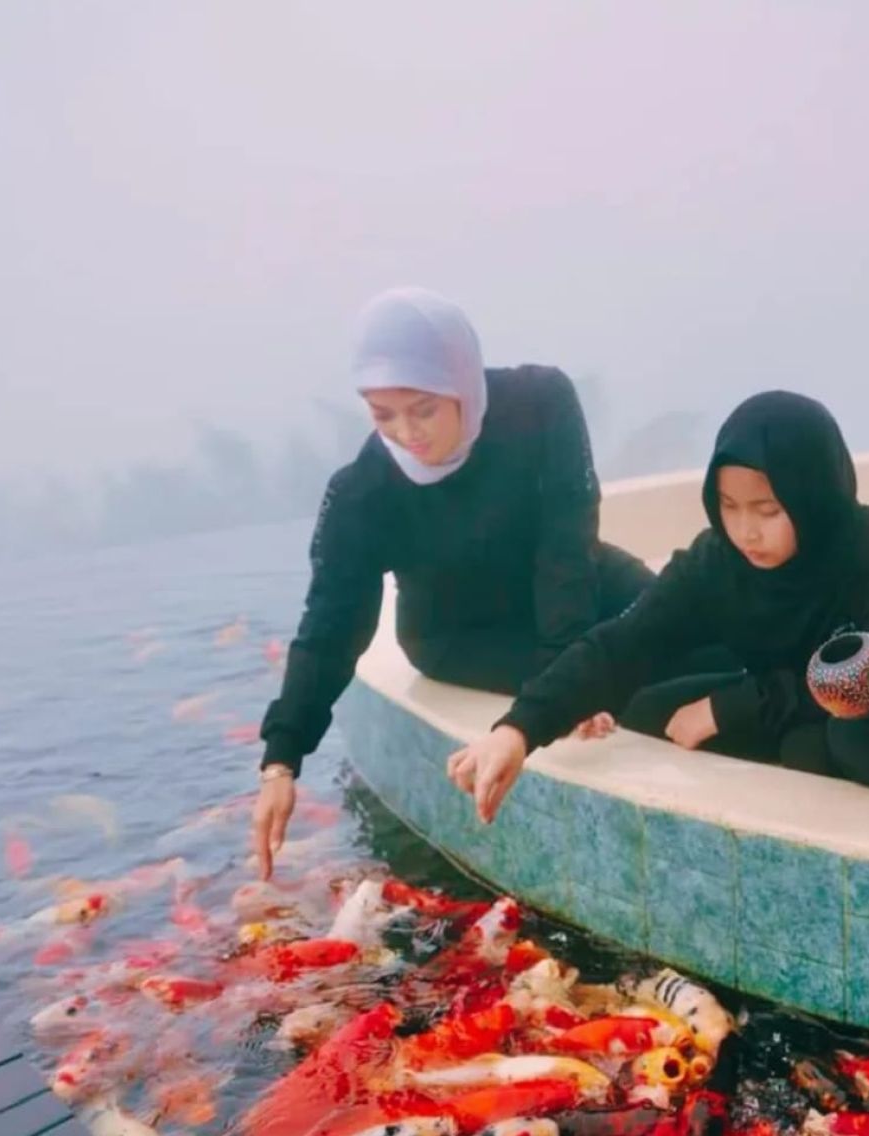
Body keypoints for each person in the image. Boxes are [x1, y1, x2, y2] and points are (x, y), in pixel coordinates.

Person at [252, 287, 653, 876]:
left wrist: (562, 667)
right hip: (461, 636)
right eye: (382, 414)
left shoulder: (540, 402)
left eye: (423, 409)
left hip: (576, 578)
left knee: (677, 623)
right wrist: (281, 761)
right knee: (642, 692)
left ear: (461, 382)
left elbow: (568, 538)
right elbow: (330, 627)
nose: (407, 434)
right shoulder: (363, 491)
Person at [447, 390, 869, 823]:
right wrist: (517, 731)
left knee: (817, 746)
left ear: (813, 495)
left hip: (854, 716)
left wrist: (727, 709)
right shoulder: (717, 559)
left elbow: (864, 681)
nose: (745, 531)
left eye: (768, 509)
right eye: (728, 506)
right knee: (643, 709)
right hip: (766, 697)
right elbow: (621, 643)